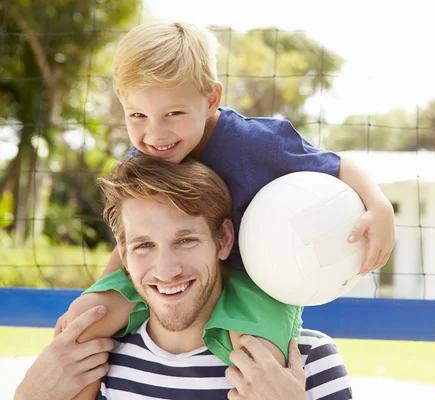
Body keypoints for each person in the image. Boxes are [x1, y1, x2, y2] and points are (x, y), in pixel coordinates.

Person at [57, 20, 395, 399]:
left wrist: (379, 206)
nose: (156, 134)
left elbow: (338, 166)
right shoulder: (144, 158)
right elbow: (133, 240)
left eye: (173, 114)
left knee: (259, 364)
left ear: (212, 98)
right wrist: (103, 288)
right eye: (138, 116)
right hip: (174, 267)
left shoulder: (257, 142)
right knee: (79, 324)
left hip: (256, 279)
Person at [100, 155, 353, 398]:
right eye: (143, 245)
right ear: (123, 254)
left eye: (186, 240)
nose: (166, 271)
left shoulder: (306, 361)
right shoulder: (97, 363)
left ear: (223, 240)